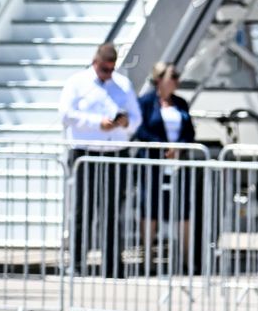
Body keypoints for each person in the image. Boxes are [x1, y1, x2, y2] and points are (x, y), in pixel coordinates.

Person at [59, 43, 141, 278]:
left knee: (113, 211)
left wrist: (125, 123)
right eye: (104, 70)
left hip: (115, 153)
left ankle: (113, 265)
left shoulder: (123, 85)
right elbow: (65, 114)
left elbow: (137, 118)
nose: (108, 74)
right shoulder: (77, 83)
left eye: (111, 70)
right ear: (95, 63)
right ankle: (76, 262)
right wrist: (97, 123)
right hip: (86, 152)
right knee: (83, 210)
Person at [134, 62, 197, 275]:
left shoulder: (180, 103)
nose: (177, 81)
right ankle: (148, 258)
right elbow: (141, 130)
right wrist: (162, 146)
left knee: (183, 209)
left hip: (178, 163)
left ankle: (186, 259)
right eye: (173, 76)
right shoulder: (146, 102)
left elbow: (190, 132)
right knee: (149, 208)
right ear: (160, 78)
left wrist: (178, 147)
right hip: (153, 162)